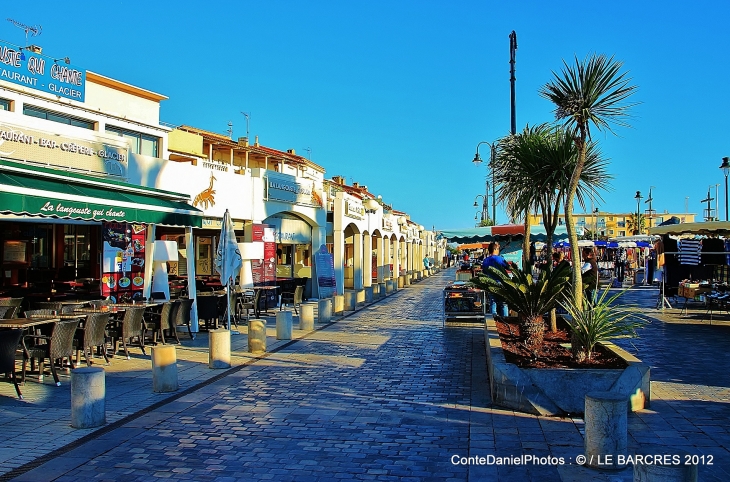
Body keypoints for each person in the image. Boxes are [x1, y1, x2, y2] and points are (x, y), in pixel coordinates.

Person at [481, 242, 510, 317]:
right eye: (498, 249)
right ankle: (505, 319)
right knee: (503, 303)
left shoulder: (485, 260)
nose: (499, 250)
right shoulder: (500, 259)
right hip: (501, 283)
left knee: (493, 302)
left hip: (490, 283)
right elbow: (508, 267)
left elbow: (484, 272)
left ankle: (493, 319)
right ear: (495, 249)